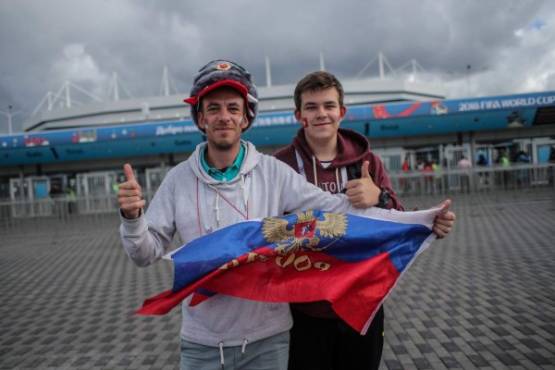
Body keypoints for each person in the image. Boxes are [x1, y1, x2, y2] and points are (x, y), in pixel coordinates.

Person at [118, 60, 455, 370]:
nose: (224, 116)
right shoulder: (178, 180)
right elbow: (145, 254)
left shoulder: (273, 172)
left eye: (233, 108)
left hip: (270, 337)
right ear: (201, 118)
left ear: (246, 117)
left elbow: (333, 210)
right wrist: (133, 218)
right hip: (203, 342)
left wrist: (419, 219)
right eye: (214, 108)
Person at [274, 71, 455, 370]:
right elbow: (264, 228)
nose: (321, 114)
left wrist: (380, 198)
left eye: (329, 106)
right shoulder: (280, 165)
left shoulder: (367, 162)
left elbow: (396, 219)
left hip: (362, 305)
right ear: (299, 115)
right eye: (312, 107)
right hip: (303, 311)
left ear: (341, 112)